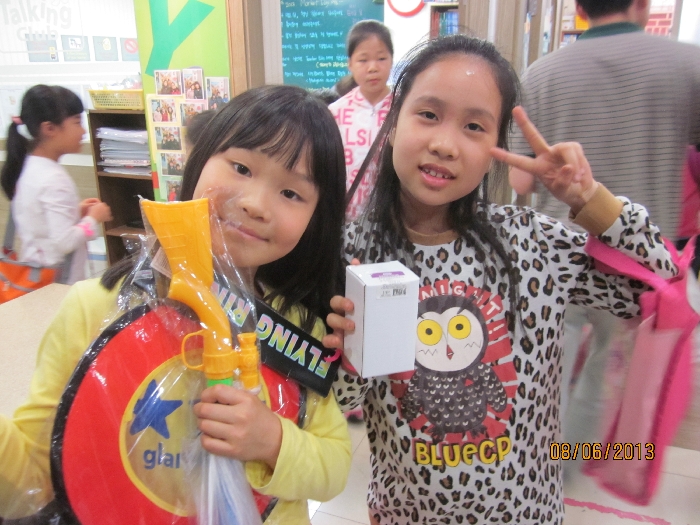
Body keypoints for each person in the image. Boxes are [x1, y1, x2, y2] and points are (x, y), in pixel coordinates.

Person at [322, 35, 677, 524]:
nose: (444, 144)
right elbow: (336, 405)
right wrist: (349, 356)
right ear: (394, 119)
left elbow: (657, 285)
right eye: (428, 114)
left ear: (495, 148)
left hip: (525, 513)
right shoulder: (351, 252)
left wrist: (589, 198)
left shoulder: (532, 243)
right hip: (405, 512)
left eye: (474, 126)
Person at [0, 85, 351, 523]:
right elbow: (37, 473)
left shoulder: (295, 328)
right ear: (198, 160)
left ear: (317, 218)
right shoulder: (96, 308)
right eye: (241, 167)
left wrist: (272, 441)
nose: (255, 204)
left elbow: (335, 465)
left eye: (292, 194)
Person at [508, 0, 700, 459]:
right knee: (607, 371)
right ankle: (578, 462)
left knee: (548, 370)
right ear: (643, 4)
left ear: (578, 7)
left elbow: (520, 181)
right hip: (640, 259)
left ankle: (543, 464)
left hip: (555, 257)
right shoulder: (688, 65)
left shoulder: (541, 73)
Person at [0, 85, 112, 285]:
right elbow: (64, 243)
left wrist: (75, 212)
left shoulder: (29, 168)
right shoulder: (53, 178)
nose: (83, 131)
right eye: (77, 122)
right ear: (49, 129)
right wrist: (93, 219)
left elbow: (39, 220)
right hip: (58, 284)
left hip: (35, 276)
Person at [329, 20, 393, 222]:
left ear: (392, 59)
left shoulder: (405, 110)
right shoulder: (335, 113)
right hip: (345, 220)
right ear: (350, 64)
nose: (373, 68)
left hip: (390, 219)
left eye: (381, 58)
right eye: (363, 60)